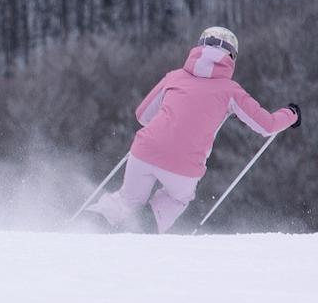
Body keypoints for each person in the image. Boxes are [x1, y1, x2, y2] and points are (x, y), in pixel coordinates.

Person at [91, 26, 300, 233]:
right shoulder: (230, 91)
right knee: (177, 199)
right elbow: (267, 126)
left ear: (198, 47)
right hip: (185, 164)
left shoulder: (174, 77)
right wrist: (292, 114)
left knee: (127, 199)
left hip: (146, 150)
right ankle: (144, 227)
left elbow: (143, 115)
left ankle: (87, 225)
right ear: (231, 57)